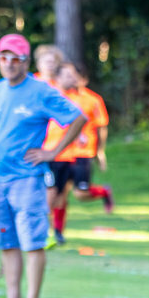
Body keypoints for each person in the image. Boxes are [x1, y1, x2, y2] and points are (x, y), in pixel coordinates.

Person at [0, 34, 85, 298]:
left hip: (27, 178)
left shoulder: (41, 91)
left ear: (26, 62)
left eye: (15, 59)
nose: (9, 64)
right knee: (6, 242)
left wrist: (53, 152)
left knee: (32, 241)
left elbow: (77, 118)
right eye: (4, 58)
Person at [45, 61, 113, 246]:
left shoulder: (91, 99)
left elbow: (100, 126)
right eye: (67, 75)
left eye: (74, 75)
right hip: (57, 154)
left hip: (82, 153)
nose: (73, 79)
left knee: (81, 193)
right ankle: (57, 232)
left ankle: (104, 191)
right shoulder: (52, 95)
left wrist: (100, 151)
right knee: (57, 196)